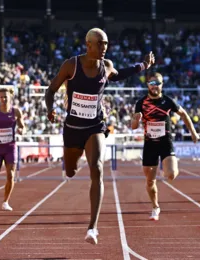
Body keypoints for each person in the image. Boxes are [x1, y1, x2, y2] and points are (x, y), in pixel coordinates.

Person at [45, 28, 155, 245]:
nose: (104, 48)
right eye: (100, 43)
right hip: (73, 128)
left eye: (106, 44)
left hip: (95, 126)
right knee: (70, 171)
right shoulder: (71, 65)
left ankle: (92, 228)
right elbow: (51, 90)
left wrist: (143, 66)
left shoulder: (106, 66)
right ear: (88, 44)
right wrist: (50, 109)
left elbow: (119, 74)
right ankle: (71, 165)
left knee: (97, 168)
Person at [131, 72, 200, 221]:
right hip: (149, 144)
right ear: (147, 84)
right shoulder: (141, 103)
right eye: (152, 83)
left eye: (158, 83)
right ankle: (155, 207)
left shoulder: (168, 101)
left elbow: (184, 114)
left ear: (162, 85)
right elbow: (133, 125)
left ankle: (166, 166)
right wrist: (136, 119)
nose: (155, 86)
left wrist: (193, 132)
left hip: (165, 142)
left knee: (171, 175)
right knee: (150, 181)